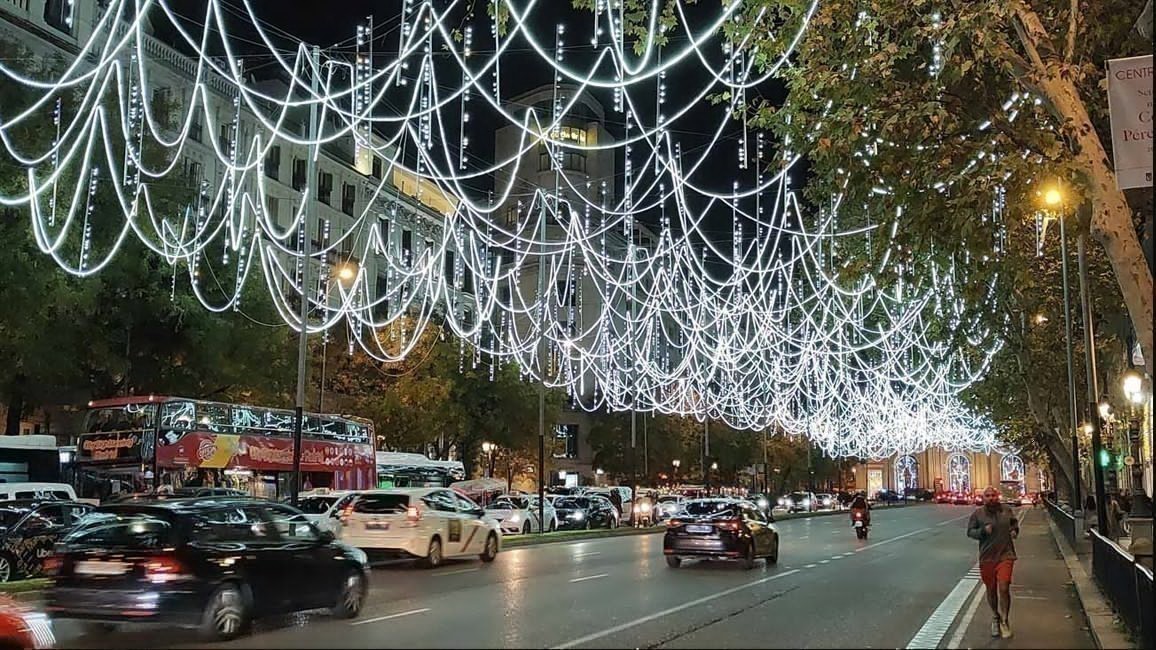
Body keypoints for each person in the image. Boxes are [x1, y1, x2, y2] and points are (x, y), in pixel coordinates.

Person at [967, 486, 1020, 639]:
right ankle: (995, 617)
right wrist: (983, 531)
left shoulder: (1006, 510)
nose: (991, 498)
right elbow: (970, 532)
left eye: (993, 495)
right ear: (984, 498)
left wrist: (1014, 531)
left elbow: (1014, 523)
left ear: (998, 496)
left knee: (1004, 587)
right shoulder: (978, 514)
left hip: (1006, 555)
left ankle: (1005, 620)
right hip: (987, 557)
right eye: (988, 496)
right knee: (991, 590)